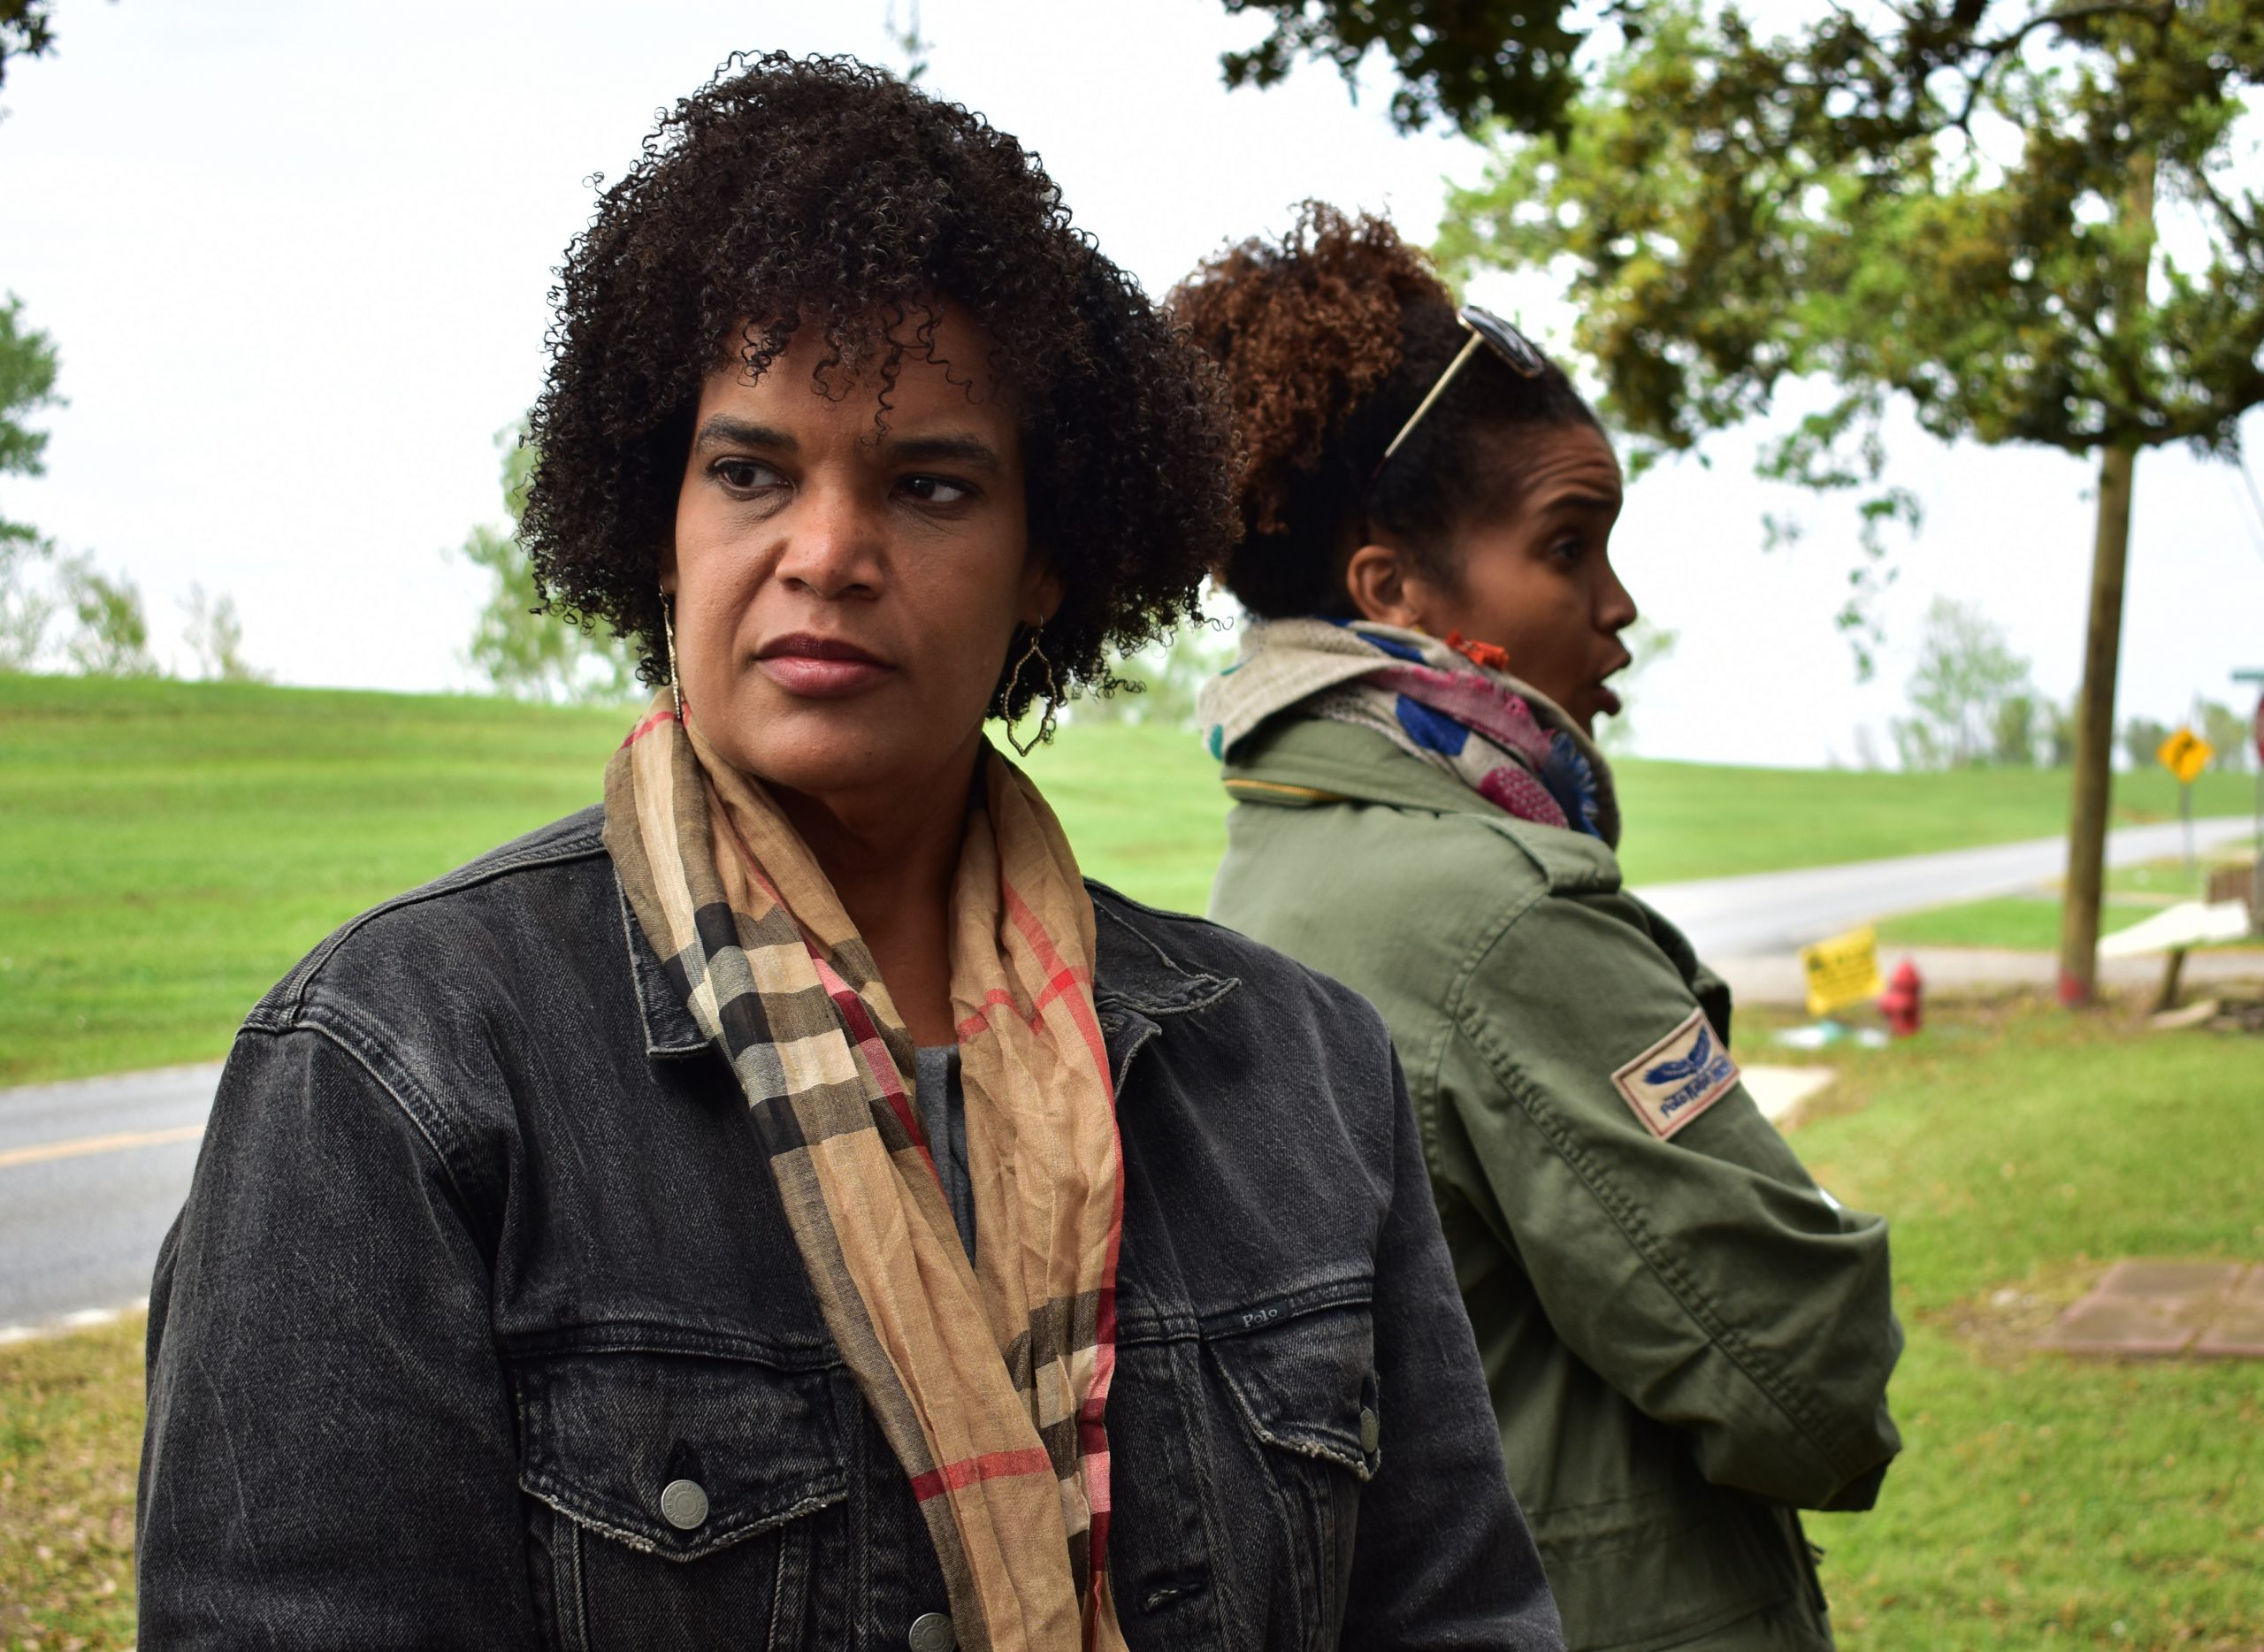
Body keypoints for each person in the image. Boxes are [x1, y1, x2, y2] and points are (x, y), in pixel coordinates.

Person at [134, 61, 1564, 1652]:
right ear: (656, 519)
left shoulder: (1301, 1073)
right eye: (748, 472)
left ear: (1047, 563)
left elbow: (1461, 1617)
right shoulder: (399, 1070)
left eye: (928, 485)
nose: (824, 553)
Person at [1174, 205, 1902, 1652]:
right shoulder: (1497, 919)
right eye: (1568, 546)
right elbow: (1808, 1396)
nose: (1619, 608)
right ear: (1395, 593)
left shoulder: (1277, 859)